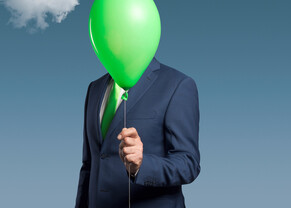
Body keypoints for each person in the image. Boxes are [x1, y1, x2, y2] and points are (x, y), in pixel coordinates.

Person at [75, 57, 201, 208]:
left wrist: (142, 165)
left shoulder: (177, 84)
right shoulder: (95, 88)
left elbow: (188, 164)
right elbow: (89, 165)